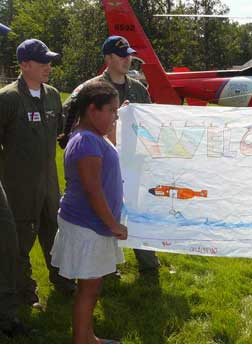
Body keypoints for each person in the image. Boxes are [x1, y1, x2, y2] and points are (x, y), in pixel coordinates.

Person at [60, 35, 160, 276]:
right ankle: (107, 266)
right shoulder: (90, 89)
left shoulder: (139, 89)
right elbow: (69, 118)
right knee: (106, 206)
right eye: (121, 55)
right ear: (108, 58)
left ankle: (148, 260)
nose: (128, 59)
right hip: (102, 161)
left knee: (136, 209)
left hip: (134, 162)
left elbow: (149, 122)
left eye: (129, 55)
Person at [0, 39, 76, 309]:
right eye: (42, 62)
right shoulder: (8, 98)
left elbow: (62, 132)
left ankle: (63, 281)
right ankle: (24, 291)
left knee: (55, 233)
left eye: (49, 61)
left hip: (49, 182)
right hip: (18, 184)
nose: (48, 66)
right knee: (20, 241)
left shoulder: (53, 94)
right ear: (24, 65)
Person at [51, 80, 127, 344]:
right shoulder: (85, 142)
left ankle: (88, 336)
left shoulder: (92, 136)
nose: (115, 116)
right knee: (88, 289)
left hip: (92, 224)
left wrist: (122, 116)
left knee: (91, 288)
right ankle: (82, 341)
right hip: (88, 225)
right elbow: (93, 190)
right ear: (93, 110)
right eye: (112, 111)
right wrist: (113, 225)